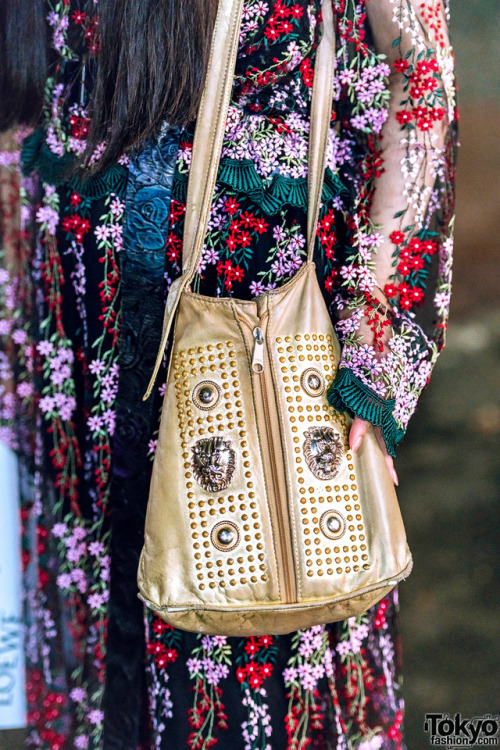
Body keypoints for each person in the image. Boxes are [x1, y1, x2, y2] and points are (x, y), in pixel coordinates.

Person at [0, 0, 457, 748]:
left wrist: (379, 351)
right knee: (98, 670)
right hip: (73, 331)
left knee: (260, 623)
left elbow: (420, 71)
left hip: (259, 337)